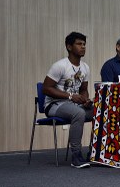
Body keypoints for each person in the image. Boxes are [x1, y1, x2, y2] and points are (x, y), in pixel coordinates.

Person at [42, 32, 93, 168]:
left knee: (100, 112)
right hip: (54, 105)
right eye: (79, 44)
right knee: (79, 113)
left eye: (84, 44)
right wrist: (70, 96)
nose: (83, 47)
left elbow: (83, 88)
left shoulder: (85, 67)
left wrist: (85, 99)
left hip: (73, 105)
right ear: (69, 47)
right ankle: (76, 156)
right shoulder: (60, 66)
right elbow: (46, 88)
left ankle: (95, 151)